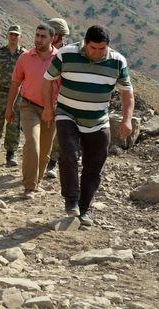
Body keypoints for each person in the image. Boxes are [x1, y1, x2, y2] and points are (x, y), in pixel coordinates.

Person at [42, 25, 134, 226]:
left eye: (102, 49)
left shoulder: (118, 61)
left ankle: (84, 209)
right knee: (68, 154)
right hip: (68, 115)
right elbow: (48, 80)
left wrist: (127, 119)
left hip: (98, 121)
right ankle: (71, 200)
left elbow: (127, 93)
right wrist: (49, 108)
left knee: (94, 167)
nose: (98, 53)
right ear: (85, 42)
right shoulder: (67, 54)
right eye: (93, 48)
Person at [5, 23, 57, 197]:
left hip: (51, 109)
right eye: (37, 35)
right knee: (32, 143)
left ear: (52, 39)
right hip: (28, 106)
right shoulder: (25, 57)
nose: (38, 39)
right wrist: (9, 107)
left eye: (43, 36)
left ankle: (37, 181)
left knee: (45, 151)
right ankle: (29, 186)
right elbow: (15, 83)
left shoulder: (60, 59)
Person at [0, 25, 25, 166]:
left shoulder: (24, 55)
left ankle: (10, 154)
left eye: (16, 35)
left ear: (20, 37)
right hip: (0, 93)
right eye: (11, 34)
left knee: (13, 125)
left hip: (17, 96)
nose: (13, 37)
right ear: (7, 36)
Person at [43, 17, 70, 179]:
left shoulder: (68, 54)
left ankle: (52, 164)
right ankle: (40, 161)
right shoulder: (41, 52)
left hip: (61, 100)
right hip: (41, 99)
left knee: (60, 134)